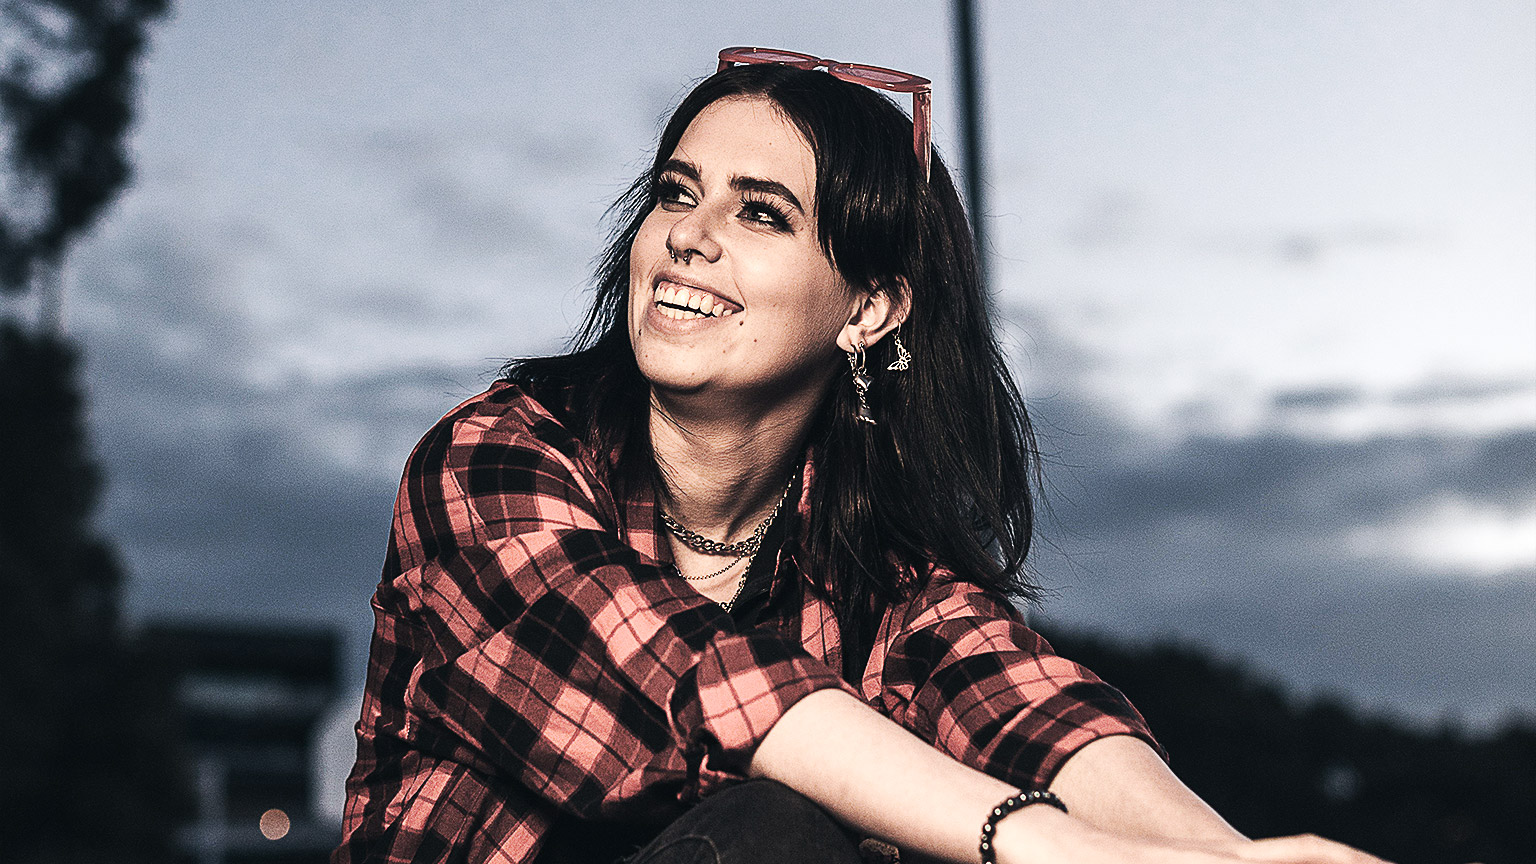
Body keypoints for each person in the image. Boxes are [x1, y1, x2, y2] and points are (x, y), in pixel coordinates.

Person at [335, 48, 1391, 864]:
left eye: (760, 212)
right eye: (676, 192)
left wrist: (1224, 854)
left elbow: (1033, 708)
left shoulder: (875, 574)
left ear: (873, 308)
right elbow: (697, 688)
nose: (690, 236)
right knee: (780, 828)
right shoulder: (492, 460)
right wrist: (1042, 840)